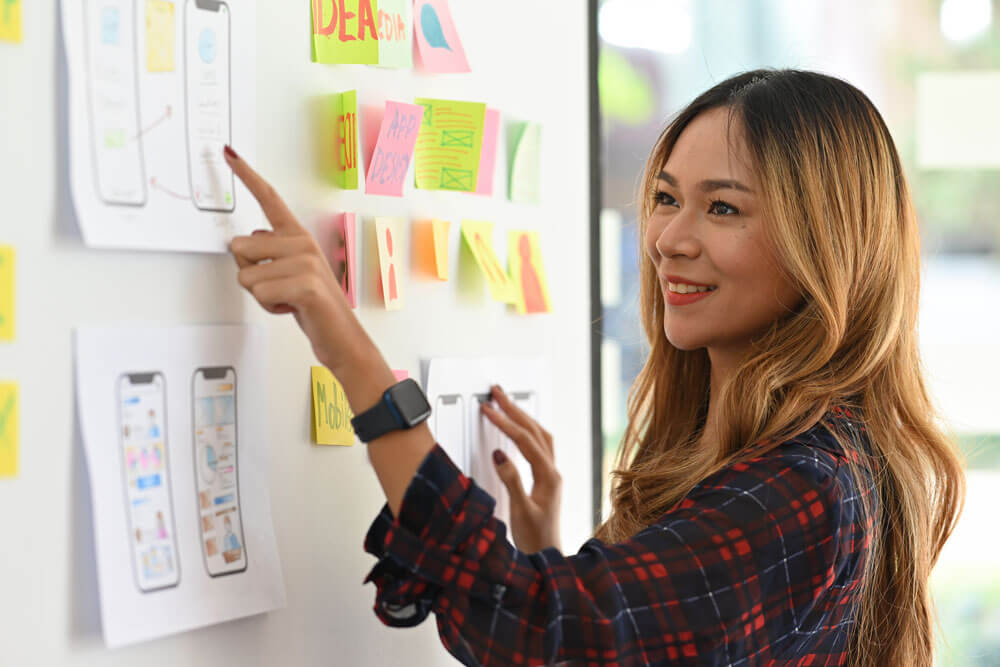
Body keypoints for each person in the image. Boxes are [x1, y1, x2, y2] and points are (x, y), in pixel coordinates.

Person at [223, 68, 966, 666]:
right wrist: (547, 551)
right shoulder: (747, 451)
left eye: (724, 209)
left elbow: (545, 634)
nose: (670, 238)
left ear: (824, 245)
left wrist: (348, 349)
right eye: (667, 198)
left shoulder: (809, 482)